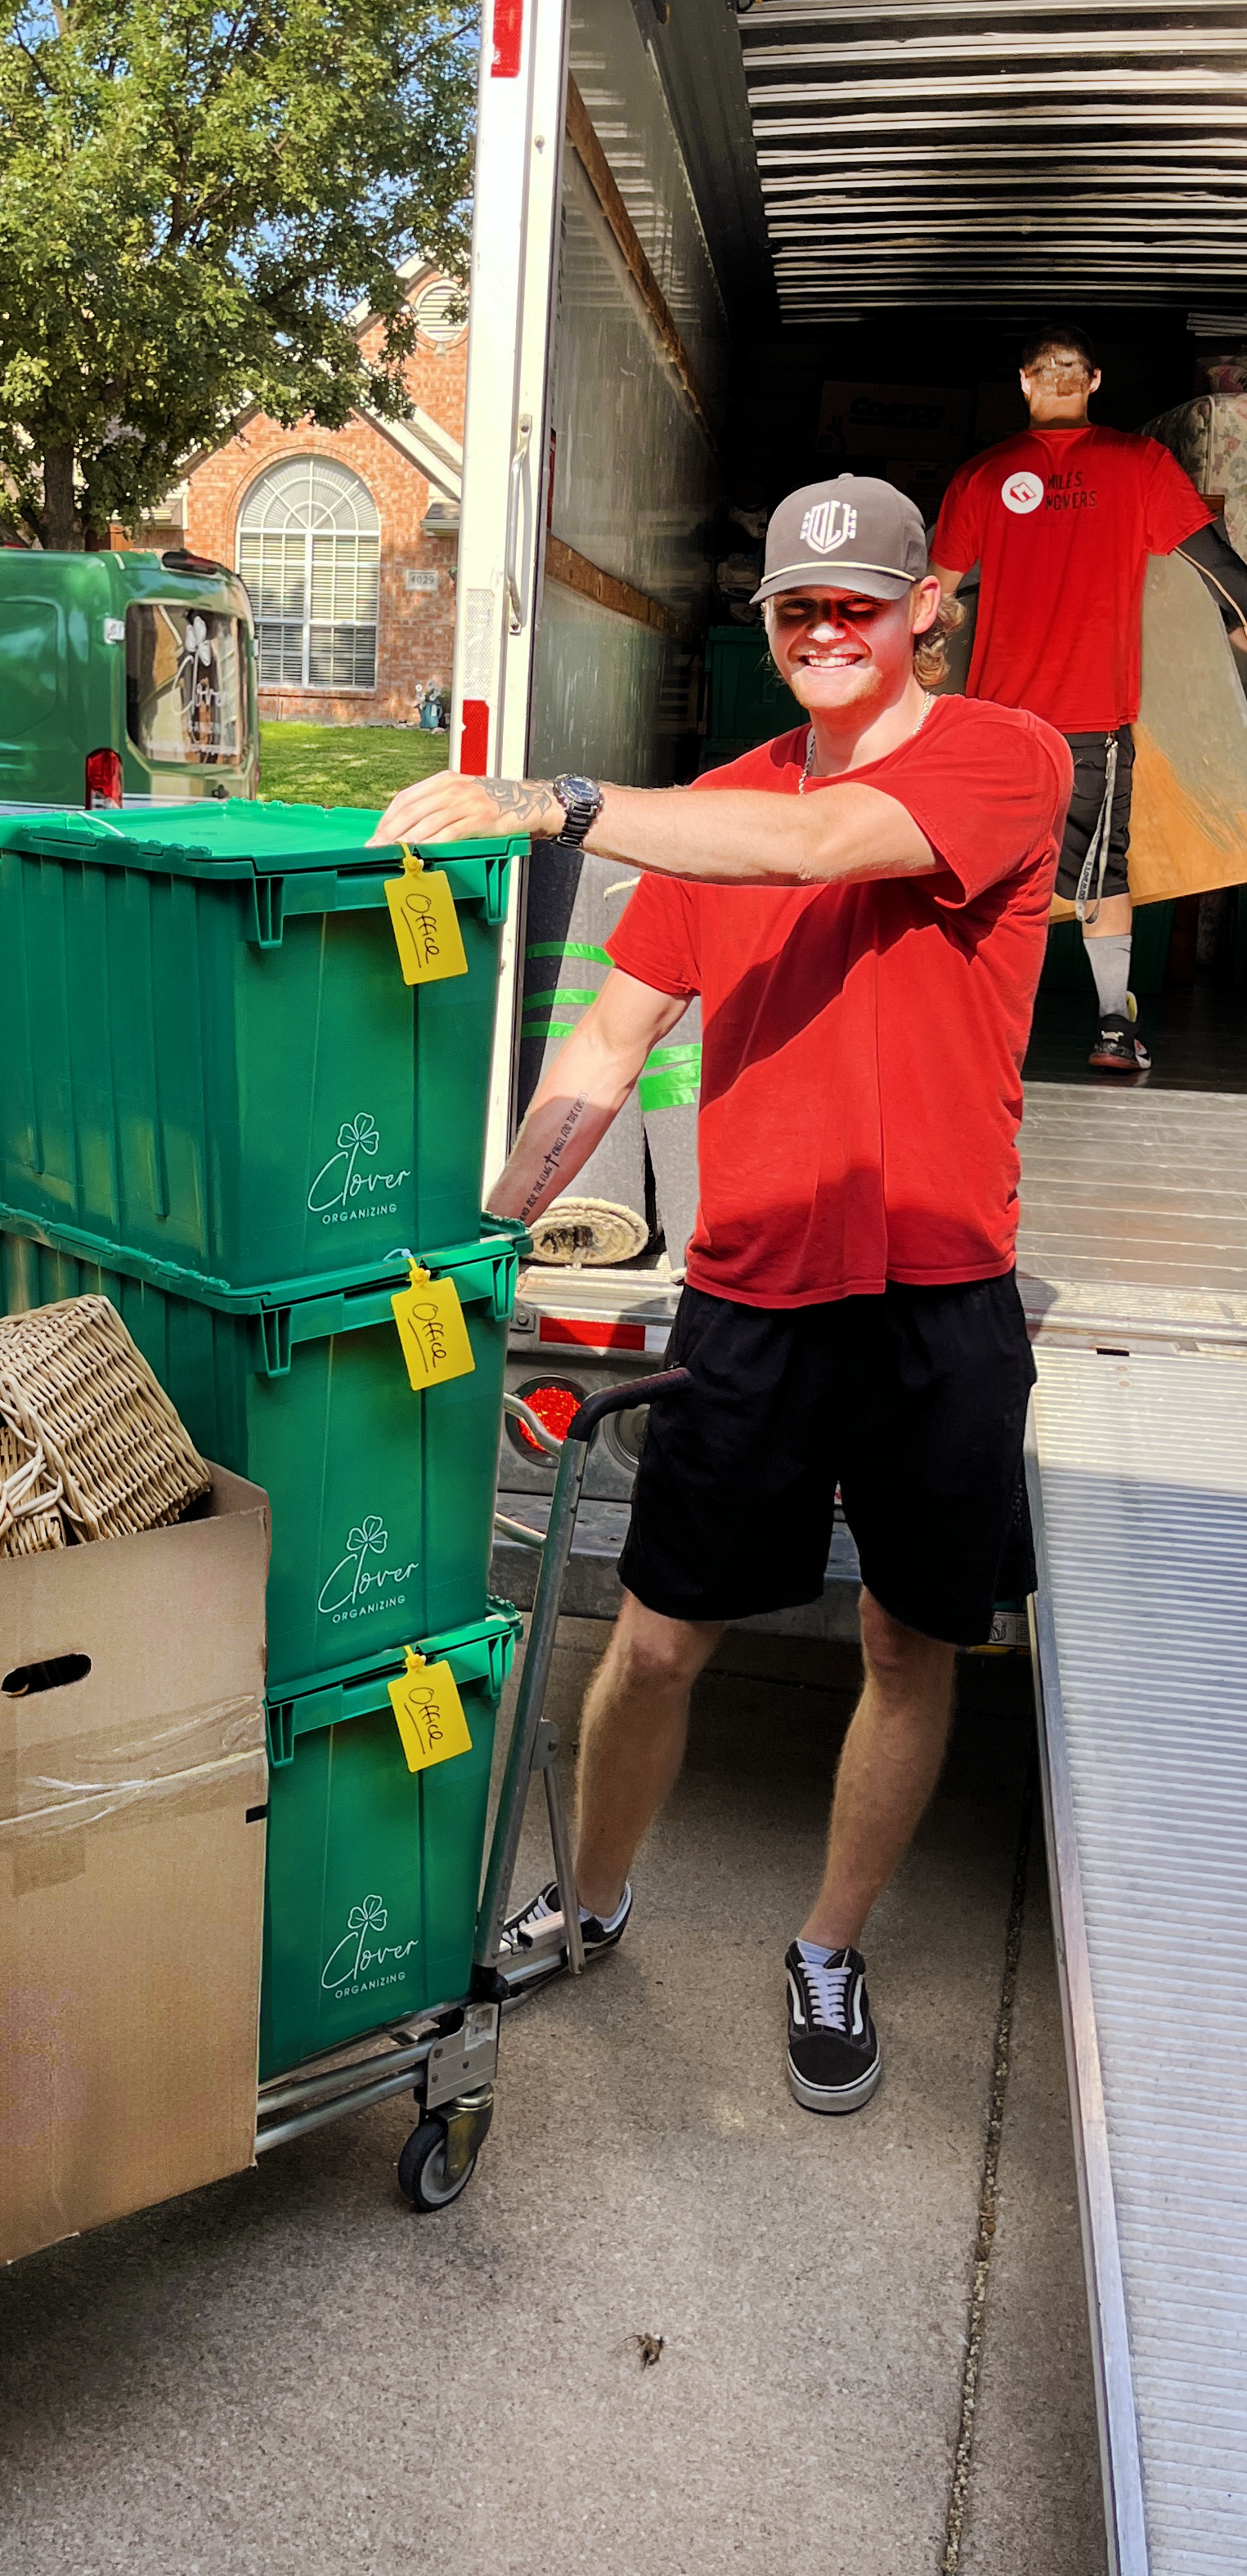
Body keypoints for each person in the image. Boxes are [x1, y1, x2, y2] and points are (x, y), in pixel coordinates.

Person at [370, 477, 1070, 2117]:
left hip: (942, 1298)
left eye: (862, 605)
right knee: (665, 1638)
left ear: (922, 614)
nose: (831, 632)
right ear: (766, 627)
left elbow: (824, 842)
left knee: (911, 1637)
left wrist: (553, 799)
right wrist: (495, 1229)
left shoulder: (1002, 758)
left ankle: (828, 1947)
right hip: (755, 1297)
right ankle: (596, 1898)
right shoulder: (712, 806)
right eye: (799, 609)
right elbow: (610, 1043)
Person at [933, 320, 1247, 1077]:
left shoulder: (980, 476)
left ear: (1026, 382)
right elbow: (1223, 570)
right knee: (1100, 871)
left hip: (993, 723)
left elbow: (931, 603)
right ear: (1095, 382)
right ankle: (1113, 1028)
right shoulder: (1140, 464)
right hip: (1091, 723)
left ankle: (970, 1028)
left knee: (988, 869)